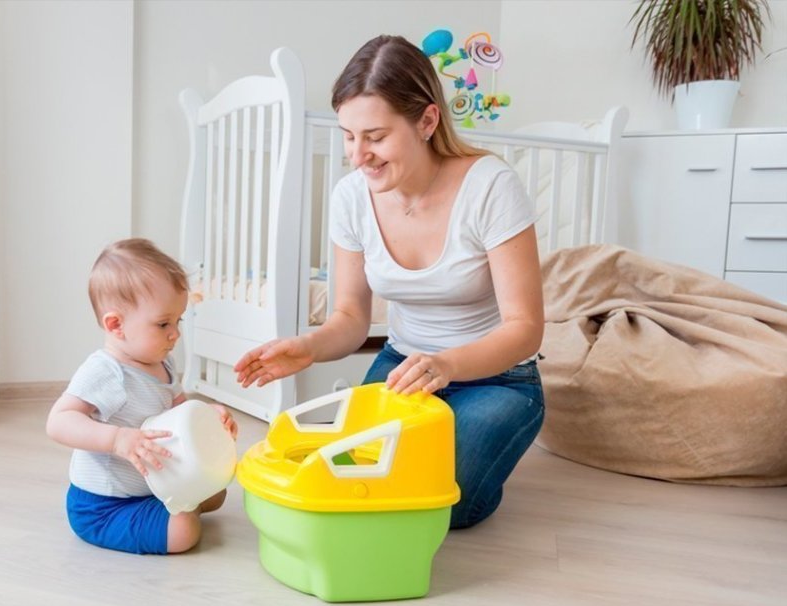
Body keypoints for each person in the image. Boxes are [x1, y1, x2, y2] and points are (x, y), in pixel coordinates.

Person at [234, 35, 544, 530]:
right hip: (404, 369)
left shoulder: (489, 185)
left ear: (426, 121)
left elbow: (525, 327)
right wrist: (308, 347)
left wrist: (446, 363)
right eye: (348, 135)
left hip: (497, 378)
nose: (358, 155)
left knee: (446, 501)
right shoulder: (351, 198)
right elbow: (352, 317)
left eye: (375, 136)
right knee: (357, 474)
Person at [46, 238, 238, 554]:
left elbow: (179, 409)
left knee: (217, 491)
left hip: (152, 486)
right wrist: (117, 439)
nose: (175, 333)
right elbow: (58, 422)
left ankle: (180, 503)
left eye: (178, 321)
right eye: (163, 323)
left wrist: (209, 416)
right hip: (105, 506)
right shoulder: (107, 372)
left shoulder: (162, 363)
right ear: (116, 325)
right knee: (184, 534)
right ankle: (181, 511)